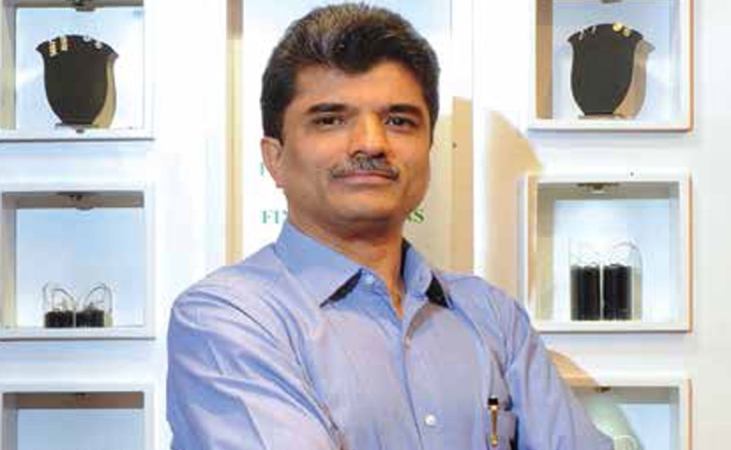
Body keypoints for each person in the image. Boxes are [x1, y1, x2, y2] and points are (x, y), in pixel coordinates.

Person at [167, 4, 612, 450]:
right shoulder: (228, 318)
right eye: (330, 120)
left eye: (398, 121)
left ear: (429, 148)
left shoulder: (493, 316)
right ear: (274, 158)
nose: (371, 144)